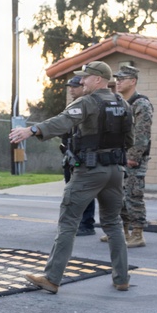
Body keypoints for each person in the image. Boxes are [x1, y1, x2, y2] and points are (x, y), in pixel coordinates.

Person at [9, 61, 131, 293]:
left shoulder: (87, 102)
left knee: (68, 223)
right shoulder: (123, 104)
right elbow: (129, 141)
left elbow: (62, 121)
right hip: (116, 171)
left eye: (85, 77)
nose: (81, 81)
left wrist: (32, 130)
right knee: (113, 223)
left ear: (97, 79)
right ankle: (121, 278)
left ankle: (52, 278)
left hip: (90, 171)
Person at [111, 64, 153, 248]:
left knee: (134, 195)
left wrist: (133, 156)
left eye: (122, 79)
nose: (117, 82)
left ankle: (137, 234)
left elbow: (142, 134)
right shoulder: (121, 103)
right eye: (117, 79)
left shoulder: (141, 104)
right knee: (119, 196)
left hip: (133, 159)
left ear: (133, 81)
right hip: (119, 157)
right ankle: (124, 232)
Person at [60, 76, 96, 236]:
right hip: (70, 155)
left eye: (75, 86)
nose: (71, 89)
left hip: (84, 156)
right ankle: (75, 223)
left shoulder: (89, 106)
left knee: (85, 192)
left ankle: (87, 224)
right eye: (70, 86)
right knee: (71, 191)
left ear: (83, 87)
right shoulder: (71, 107)